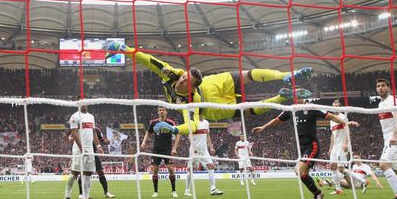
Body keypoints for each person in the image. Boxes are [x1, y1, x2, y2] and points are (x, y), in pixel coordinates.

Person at [104, 41, 313, 135]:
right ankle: (281, 97)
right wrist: (125, 48)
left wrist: (174, 129)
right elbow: (149, 60)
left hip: (213, 85)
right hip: (211, 106)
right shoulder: (173, 76)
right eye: (183, 76)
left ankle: (285, 75)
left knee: (247, 75)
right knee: (247, 109)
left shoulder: (190, 99)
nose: (181, 80)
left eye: (186, 80)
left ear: (193, 86)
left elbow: (192, 125)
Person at [252, 101, 359, 199]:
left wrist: (347, 122)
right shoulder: (290, 109)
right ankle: (317, 196)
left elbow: (332, 116)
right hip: (301, 148)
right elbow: (277, 120)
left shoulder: (312, 108)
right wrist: (263, 127)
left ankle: (319, 193)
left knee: (298, 171)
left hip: (312, 146)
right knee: (303, 174)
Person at [173, 119, 224, 196]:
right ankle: (187, 190)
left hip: (204, 151)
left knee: (211, 166)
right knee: (190, 170)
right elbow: (189, 135)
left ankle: (213, 189)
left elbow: (208, 135)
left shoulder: (206, 122)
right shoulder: (192, 123)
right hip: (195, 150)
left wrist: (211, 147)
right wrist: (194, 147)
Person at [64, 105, 103, 199]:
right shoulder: (75, 116)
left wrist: (99, 146)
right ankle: (67, 197)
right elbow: (74, 133)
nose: (84, 104)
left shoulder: (91, 117)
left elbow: (93, 133)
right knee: (75, 172)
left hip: (90, 149)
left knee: (88, 173)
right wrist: (81, 148)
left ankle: (86, 198)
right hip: (78, 149)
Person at [141, 106, 178, 198]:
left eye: (163, 110)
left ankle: (174, 191)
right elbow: (148, 133)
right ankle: (155, 191)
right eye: (160, 110)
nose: (162, 112)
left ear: (166, 112)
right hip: (156, 149)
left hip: (167, 149)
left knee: (170, 169)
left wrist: (174, 148)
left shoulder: (170, 123)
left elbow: (177, 135)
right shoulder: (154, 123)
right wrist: (144, 142)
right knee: (155, 170)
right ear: (158, 112)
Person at [326, 99, 357, 194]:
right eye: (333, 106)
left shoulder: (343, 117)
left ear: (340, 107)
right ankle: (338, 189)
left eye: (337, 106)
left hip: (341, 145)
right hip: (335, 147)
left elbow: (347, 130)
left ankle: (361, 180)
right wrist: (330, 148)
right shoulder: (332, 120)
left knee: (340, 168)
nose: (335, 108)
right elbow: (332, 135)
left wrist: (346, 143)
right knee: (333, 166)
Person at [74, 126, 115, 199]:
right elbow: (72, 136)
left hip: (94, 153)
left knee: (101, 172)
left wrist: (108, 142)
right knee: (82, 173)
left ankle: (106, 192)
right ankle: (81, 193)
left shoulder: (96, 130)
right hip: (84, 153)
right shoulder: (81, 129)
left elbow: (103, 141)